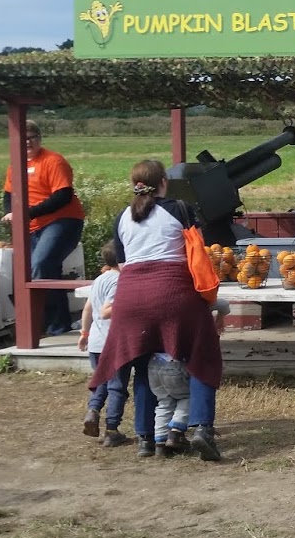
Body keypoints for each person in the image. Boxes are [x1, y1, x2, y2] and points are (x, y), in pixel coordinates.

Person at [90, 160, 224, 461]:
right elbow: (197, 250)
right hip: (173, 292)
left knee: (141, 362)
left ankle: (147, 439)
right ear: (164, 181)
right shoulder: (180, 208)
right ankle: (202, 429)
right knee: (201, 354)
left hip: (130, 298)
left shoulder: (122, 217)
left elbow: (122, 265)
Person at [1, 120, 86, 336]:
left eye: (32, 137)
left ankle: (53, 327)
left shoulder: (53, 161)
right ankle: (53, 324)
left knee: (41, 264)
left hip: (63, 220)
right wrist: (11, 213)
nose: (28, 142)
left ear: (39, 139)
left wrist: (27, 213)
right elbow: (9, 194)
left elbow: (63, 195)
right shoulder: (15, 165)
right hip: (31, 225)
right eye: (24, 138)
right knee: (36, 271)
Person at [78, 240, 129, 448]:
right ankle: (112, 429)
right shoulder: (119, 281)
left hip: (96, 343)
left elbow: (88, 309)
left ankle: (93, 410)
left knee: (102, 381)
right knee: (117, 387)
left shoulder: (99, 279)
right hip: (113, 343)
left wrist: (84, 332)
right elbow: (106, 311)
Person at [148, 352, 192, 458]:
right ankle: (176, 432)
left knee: (164, 402)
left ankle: (160, 442)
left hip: (154, 363)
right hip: (175, 363)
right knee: (187, 397)